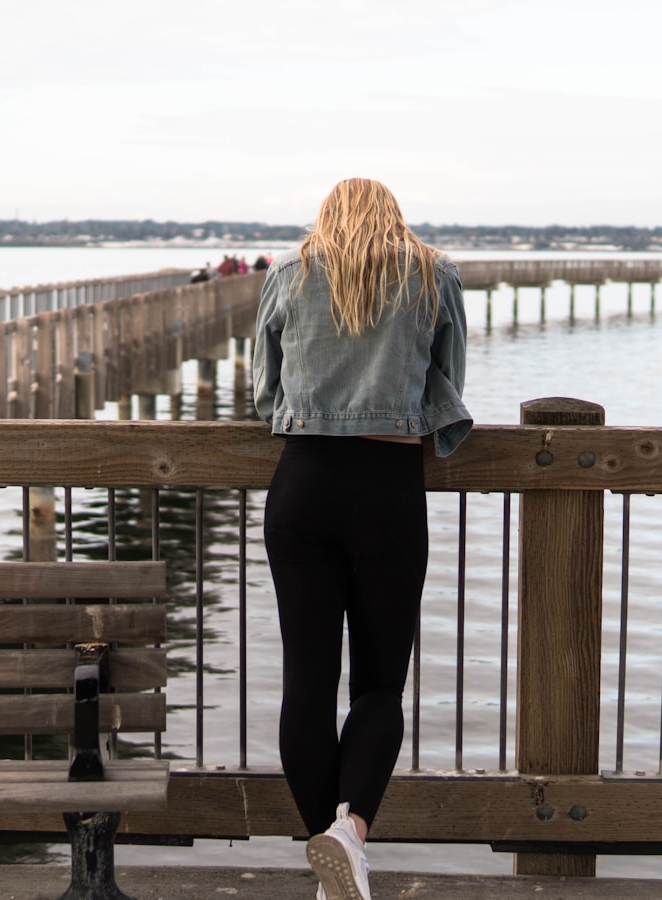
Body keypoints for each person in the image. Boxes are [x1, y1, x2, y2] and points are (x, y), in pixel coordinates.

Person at [252, 178, 470, 900]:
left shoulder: (289, 273)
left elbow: (265, 393)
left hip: (303, 485)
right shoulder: (434, 273)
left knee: (307, 686)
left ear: (326, 218)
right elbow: (449, 379)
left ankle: (328, 850)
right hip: (388, 489)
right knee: (379, 682)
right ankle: (350, 836)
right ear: (394, 220)